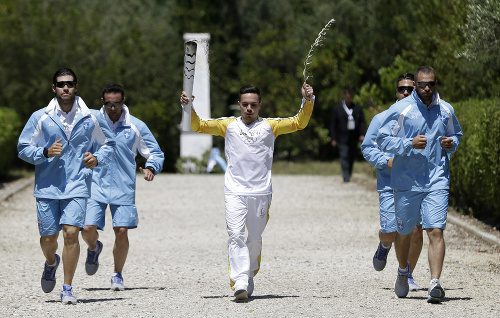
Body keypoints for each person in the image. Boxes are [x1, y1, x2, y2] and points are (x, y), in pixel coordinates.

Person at [180, 83, 314, 300]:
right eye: (245, 105)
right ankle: (240, 279)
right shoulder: (228, 125)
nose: (249, 109)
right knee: (235, 235)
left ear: (260, 105)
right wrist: (189, 107)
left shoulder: (271, 126)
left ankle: (250, 273)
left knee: (254, 238)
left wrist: (308, 101)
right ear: (239, 105)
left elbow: (299, 122)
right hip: (234, 190)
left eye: (253, 105)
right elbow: (199, 126)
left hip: (261, 192)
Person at [17, 68, 115, 304]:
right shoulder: (40, 117)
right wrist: (44, 152)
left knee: (71, 233)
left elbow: (109, 145)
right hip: (47, 187)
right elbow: (23, 148)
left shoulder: (92, 117)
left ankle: (68, 288)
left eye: (70, 84)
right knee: (49, 239)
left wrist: (98, 159)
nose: (66, 88)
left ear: (76, 86)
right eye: (61, 84)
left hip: (78, 185)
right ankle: (51, 262)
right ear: (54, 88)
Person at [376, 66, 463, 303]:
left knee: (435, 230)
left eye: (432, 84)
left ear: (436, 84)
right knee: (403, 234)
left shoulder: (446, 109)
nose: (427, 88)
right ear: (415, 84)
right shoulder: (401, 109)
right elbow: (382, 138)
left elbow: (456, 135)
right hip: (407, 182)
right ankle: (403, 271)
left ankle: (434, 282)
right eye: (423, 84)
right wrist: (408, 144)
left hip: (437, 180)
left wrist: (450, 143)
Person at [81, 83, 164, 291]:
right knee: (87, 228)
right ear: (102, 102)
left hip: (123, 186)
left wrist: (151, 167)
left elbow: (155, 152)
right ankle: (94, 247)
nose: (112, 108)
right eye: (108, 103)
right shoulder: (92, 124)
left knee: (121, 231)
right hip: (95, 184)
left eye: (116, 103)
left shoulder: (136, 126)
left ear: (123, 101)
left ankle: (117, 274)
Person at [361, 73, 423, 292]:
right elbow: (367, 147)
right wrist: (385, 161)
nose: (405, 93)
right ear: (396, 92)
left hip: (416, 184)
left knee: (415, 230)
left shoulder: (424, 117)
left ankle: (407, 274)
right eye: (401, 89)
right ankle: (384, 244)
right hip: (389, 184)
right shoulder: (382, 118)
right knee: (390, 232)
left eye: (410, 89)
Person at [329, 89, 366, 182]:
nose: (348, 99)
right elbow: (333, 125)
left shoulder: (357, 108)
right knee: (344, 156)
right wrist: (333, 138)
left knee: (351, 157)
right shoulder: (337, 109)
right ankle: (346, 177)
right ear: (344, 97)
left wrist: (362, 134)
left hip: (354, 137)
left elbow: (362, 122)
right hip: (342, 138)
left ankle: (349, 173)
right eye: (347, 97)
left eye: (350, 97)